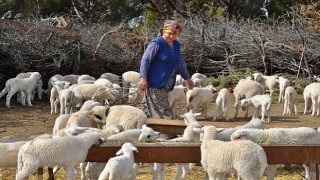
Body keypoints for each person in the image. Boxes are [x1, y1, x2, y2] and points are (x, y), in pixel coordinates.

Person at [139, 20, 194, 120]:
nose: (172, 36)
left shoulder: (176, 45)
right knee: (165, 111)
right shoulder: (157, 43)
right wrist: (143, 78)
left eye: (175, 34)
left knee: (148, 109)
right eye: (169, 33)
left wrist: (188, 78)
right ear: (164, 31)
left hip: (167, 84)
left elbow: (180, 63)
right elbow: (145, 60)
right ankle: (168, 134)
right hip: (156, 82)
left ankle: (145, 130)